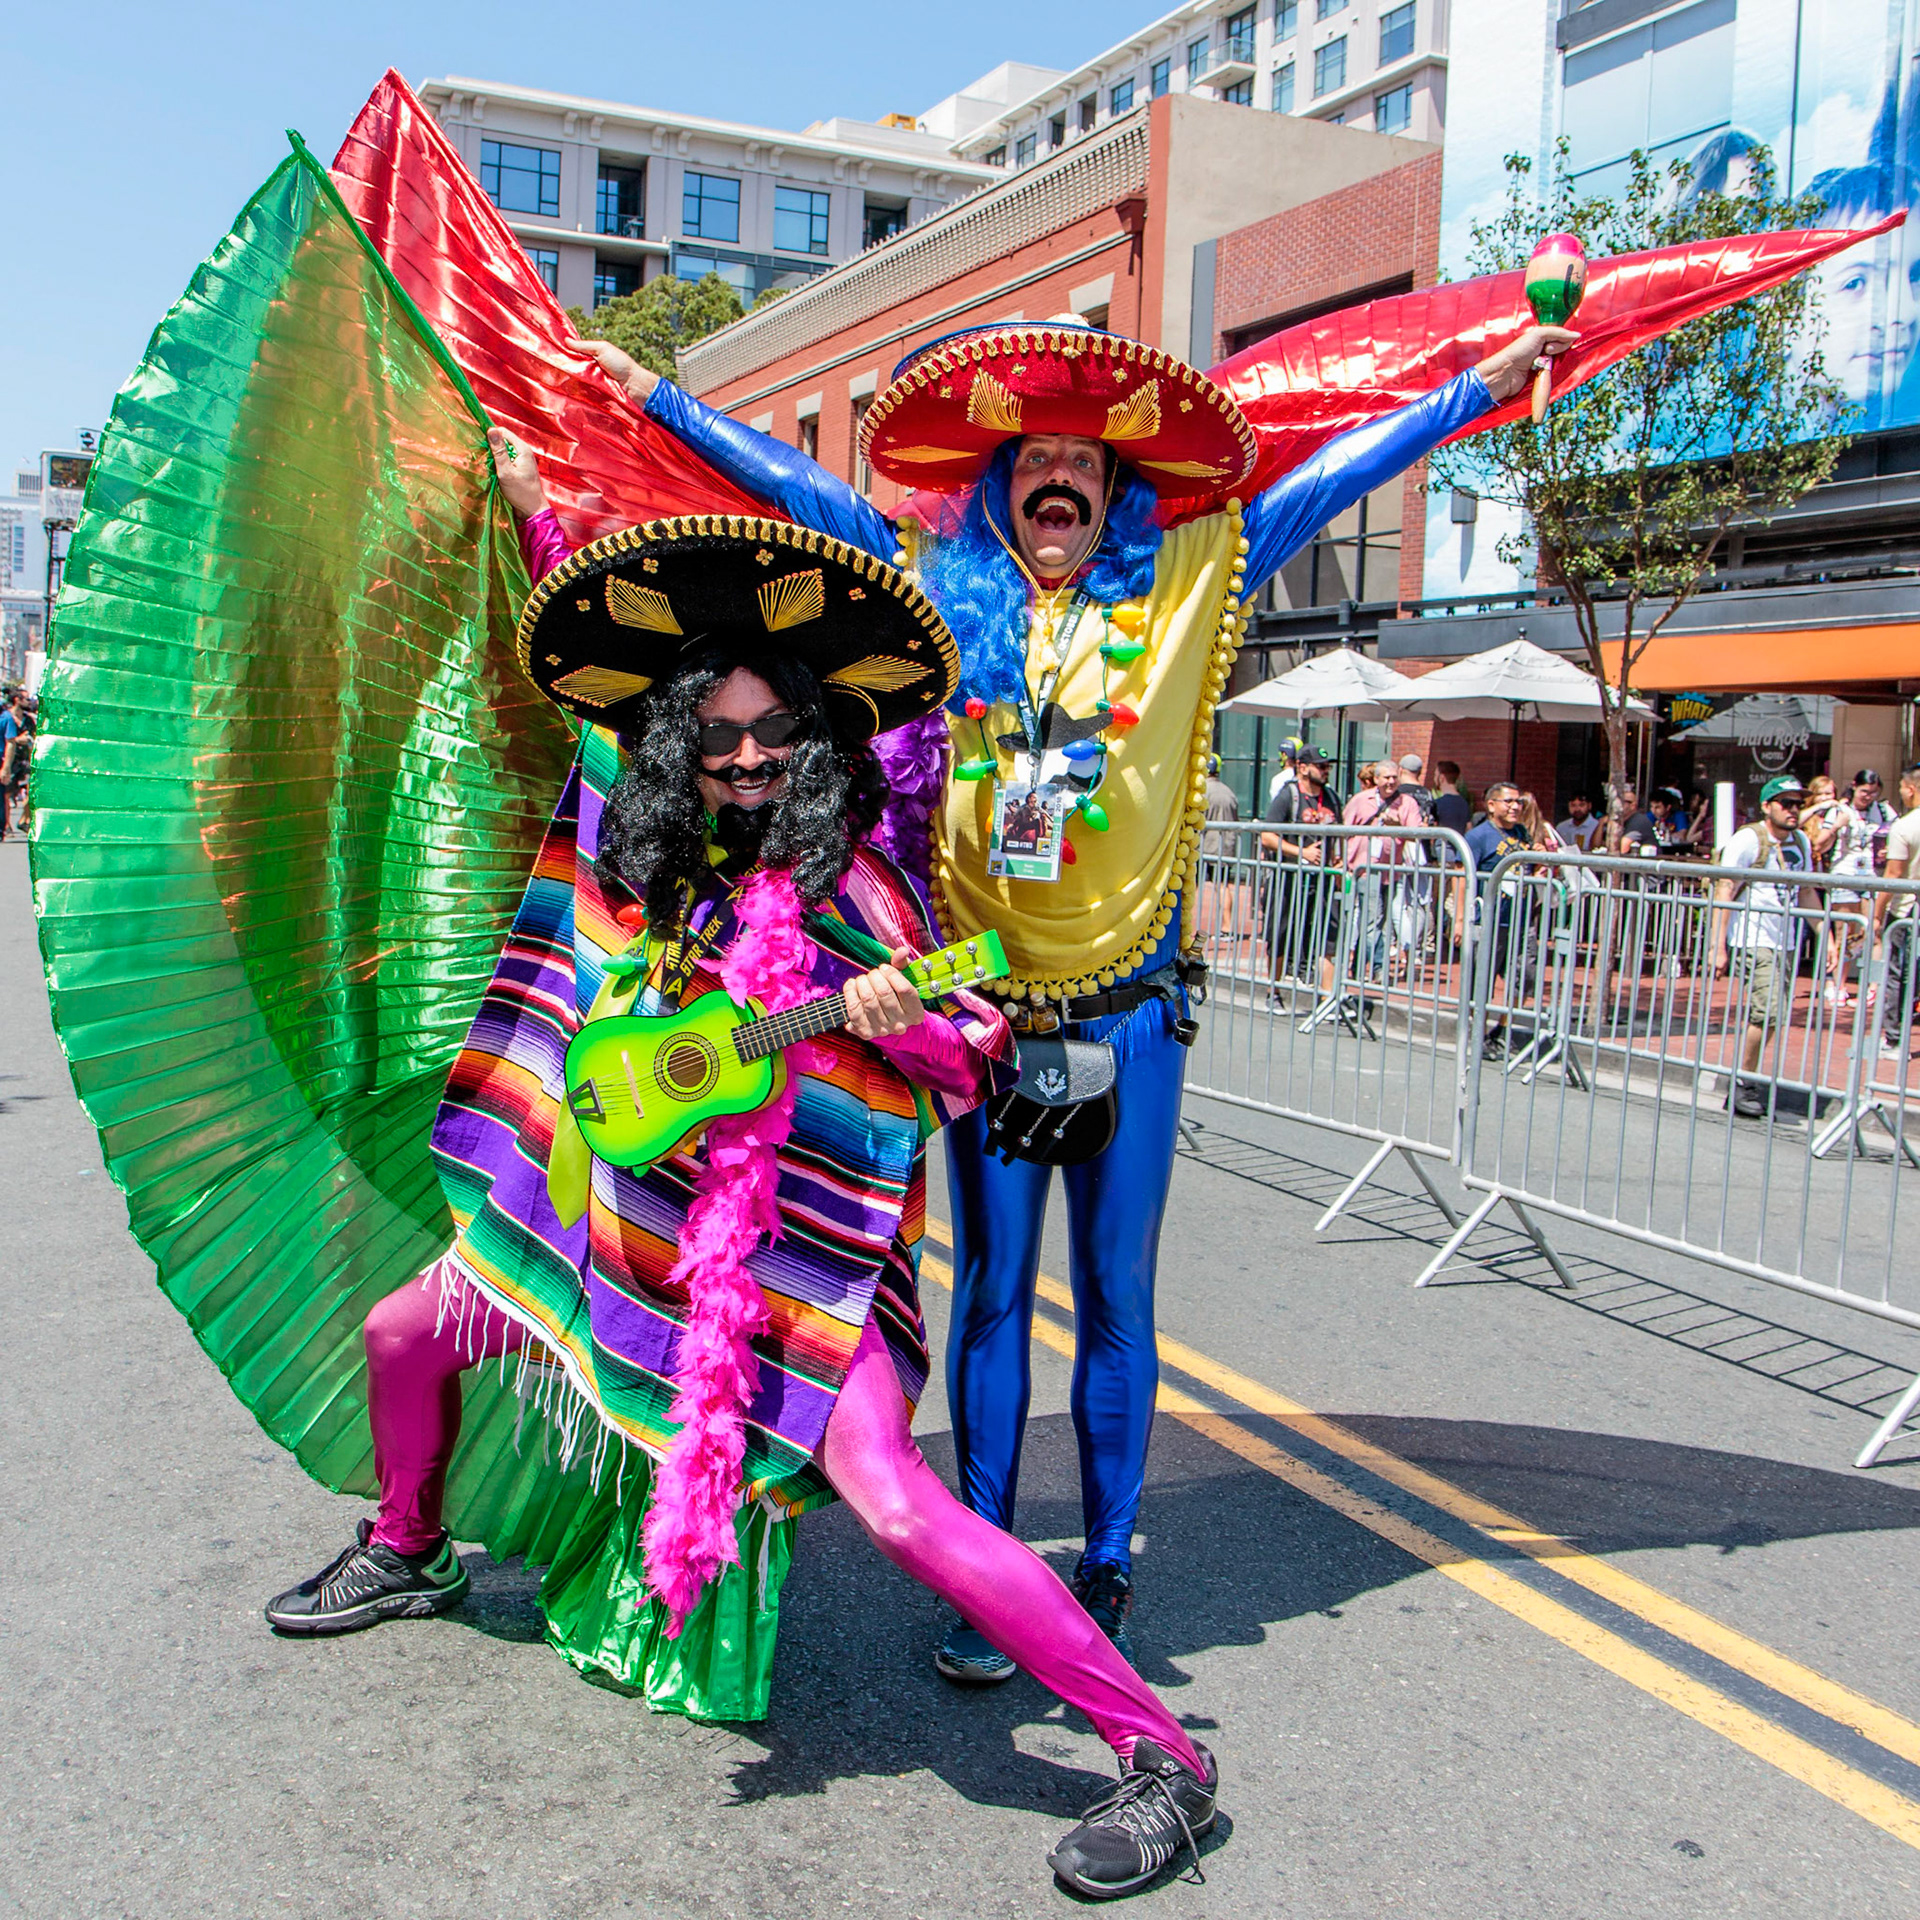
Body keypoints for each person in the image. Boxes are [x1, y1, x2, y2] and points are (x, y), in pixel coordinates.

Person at [268, 495, 1221, 1898]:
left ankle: (1164, 1761)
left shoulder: (869, 894)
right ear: (674, 751)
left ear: (819, 742)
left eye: (776, 734)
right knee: (406, 1332)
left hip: (800, 1262)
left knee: (897, 1505)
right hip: (609, 1223)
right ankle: (411, 1544)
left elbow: (970, 1048)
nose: (751, 760)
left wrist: (893, 1019)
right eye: (716, 740)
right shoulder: (636, 860)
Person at [605, 305, 1575, 1680]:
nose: (1057, 477)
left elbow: (1331, 480)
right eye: (1032, 459)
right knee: (996, 1289)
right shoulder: (937, 581)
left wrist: (1475, 389)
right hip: (988, 1014)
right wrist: (661, 399)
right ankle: (994, 1574)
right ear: (998, 484)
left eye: (1082, 459)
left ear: (1116, 486)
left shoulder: (1195, 574)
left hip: (1129, 1008)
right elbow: (809, 496)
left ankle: (1109, 1563)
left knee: (1115, 1290)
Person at [1711, 775, 1818, 1120]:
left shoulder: (1800, 841)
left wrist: (1826, 936)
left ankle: (1746, 1079)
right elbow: (1725, 888)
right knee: (1767, 1011)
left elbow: (1807, 891)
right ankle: (1744, 1082)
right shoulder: (1748, 839)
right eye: (1785, 803)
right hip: (1754, 938)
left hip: (1786, 940)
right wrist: (1718, 946)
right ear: (1767, 806)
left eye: (1798, 803)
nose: (1793, 810)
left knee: (1773, 1016)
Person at [1259, 745, 1342, 992]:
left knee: (1328, 935)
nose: (1326, 771)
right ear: (1303, 768)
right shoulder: (1289, 796)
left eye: (1327, 767)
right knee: (1280, 933)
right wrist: (1301, 852)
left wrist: (1337, 862)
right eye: (1321, 766)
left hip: (1322, 879)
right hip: (1288, 877)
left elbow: (1339, 834)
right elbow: (1267, 837)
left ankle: (1327, 999)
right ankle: (1273, 991)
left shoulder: (1332, 798)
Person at [1465, 783, 1532, 1059]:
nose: (1515, 807)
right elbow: (1462, 876)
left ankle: (1501, 1031)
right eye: (1508, 801)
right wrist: (1460, 919)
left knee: (1526, 974)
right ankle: (1474, 1034)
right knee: (1482, 981)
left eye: (1518, 802)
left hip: (1520, 919)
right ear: (1491, 805)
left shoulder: (1521, 833)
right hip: (1489, 920)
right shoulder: (1478, 836)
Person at [1821, 773, 1895, 1006]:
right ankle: (1839, 985)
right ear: (1854, 787)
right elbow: (1819, 843)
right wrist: (1836, 827)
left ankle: (1872, 988)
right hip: (1844, 873)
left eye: (1873, 792)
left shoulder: (1884, 812)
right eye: (1864, 791)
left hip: (1872, 875)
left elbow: (1895, 838)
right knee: (1845, 931)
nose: (1868, 797)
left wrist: (1887, 850)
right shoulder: (1840, 811)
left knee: (1873, 931)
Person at [1876, 762, 1920, 1060]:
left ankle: (1893, 1040)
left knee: (1900, 974)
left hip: (1907, 910)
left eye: (1902, 788)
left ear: (1911, 789)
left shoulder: (1904, 826)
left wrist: (1877, 912)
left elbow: (1892, 876)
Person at [0, 688, 33, 841]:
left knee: (31, 790)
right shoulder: (7, 717)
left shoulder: (28, 719)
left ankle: (22, 820)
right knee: (5, 794)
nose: (29, 702)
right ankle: (5, 825)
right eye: (25, 699)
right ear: (16, 700)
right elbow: (11, 741)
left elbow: (33, 738)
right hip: (10, 759)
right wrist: (19, 739)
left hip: (24, 760)